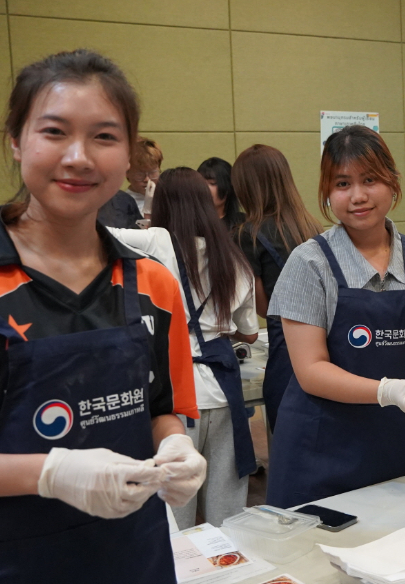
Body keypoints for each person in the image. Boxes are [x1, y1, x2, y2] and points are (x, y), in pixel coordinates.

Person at [0, 49, 205, 583]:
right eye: (54, 132)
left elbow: (161, 410)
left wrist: (176, 445)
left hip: (135, 557)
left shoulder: (152, 283)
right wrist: (50, 473)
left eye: (104, 136)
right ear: (16, 140)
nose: (79, 157)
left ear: (129, 156)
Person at [265, 125, 405, 507]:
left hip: (398, 443)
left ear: (392, 183)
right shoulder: (309, 262)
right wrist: (386, 392)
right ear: (326, 193)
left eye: (370, 179)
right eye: (342, 183)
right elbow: (310, 370)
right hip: (324, 452)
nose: (358, 196)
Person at [109, 167, 258, 529]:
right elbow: (250, 331)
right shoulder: (232, 255)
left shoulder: (157, 240)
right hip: (224, 389)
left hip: (174, 393)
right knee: (228, 508)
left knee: (175, 503)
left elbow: (98, 233)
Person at [232, 144, 322, 430]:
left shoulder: (249, 234)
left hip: (286, 343)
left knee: (287, 429)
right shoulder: (313, 227)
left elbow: (262, 305)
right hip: (325, 341)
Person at [98, 136, 161, 229]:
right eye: (140, 174)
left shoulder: (167, 199)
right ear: (127, 172)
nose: (147, 179)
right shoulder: (121, 204)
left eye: (153, 173)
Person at [198, 157, 244, 231]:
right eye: (201, 183)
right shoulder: (190, 224)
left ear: (228, 186)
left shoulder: (243, 224)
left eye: (212, 183)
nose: (205, 188)